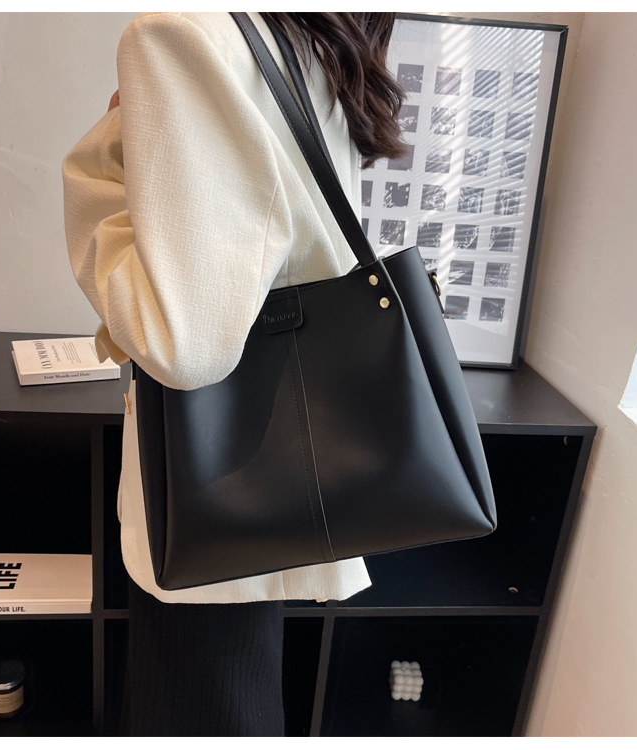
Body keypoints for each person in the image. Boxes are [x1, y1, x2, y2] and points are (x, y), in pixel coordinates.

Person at [62, 12, 406, 736]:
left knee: (201, 706)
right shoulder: (312, 38)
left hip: (217, 474)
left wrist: (105, 172)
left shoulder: (179, 34)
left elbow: (182, 345)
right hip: (289, 451)